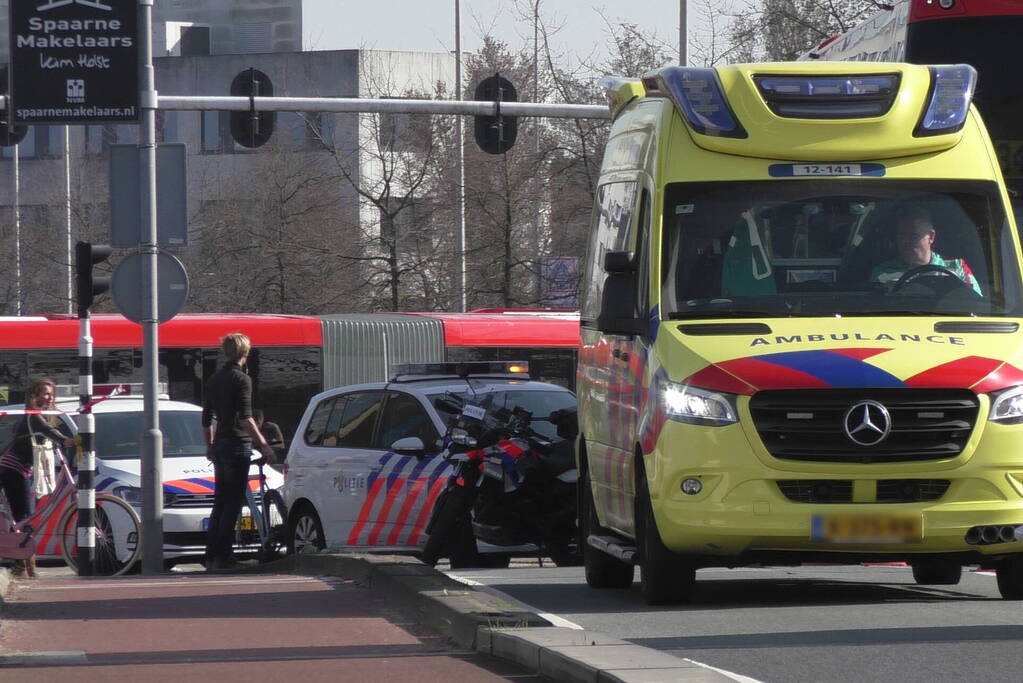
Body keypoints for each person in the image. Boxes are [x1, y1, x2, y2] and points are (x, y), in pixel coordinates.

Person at [202, 333, 274, 571]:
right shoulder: (242, 379)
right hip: (236, 444)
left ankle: (211, 554)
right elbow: (246, 418)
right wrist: (263, 444)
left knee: (220, 501)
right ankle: (224, 555)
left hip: (220, 444)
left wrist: (210, 446)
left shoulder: (214, 379)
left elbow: (206, 418)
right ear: (245, 353)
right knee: (233, 501)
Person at [0, 378, 76, 578]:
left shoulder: (47, 415)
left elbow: (49, 433)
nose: (49, 397)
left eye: (51, 394)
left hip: (23, 470)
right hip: (12, 469)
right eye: (44, 393)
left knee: (25, 517)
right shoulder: (33, 416)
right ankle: (23, 565)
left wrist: (62, 443)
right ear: (34, 396)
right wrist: (66, 440)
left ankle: (25, 565)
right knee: (26, 518)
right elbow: (47, 430)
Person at [870, 207, 982, 295]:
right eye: (901, 236)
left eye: (913, 236)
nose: (906, 241)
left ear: (931, 237)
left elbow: (976, 304)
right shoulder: (883, 273)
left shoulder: (957, 267)